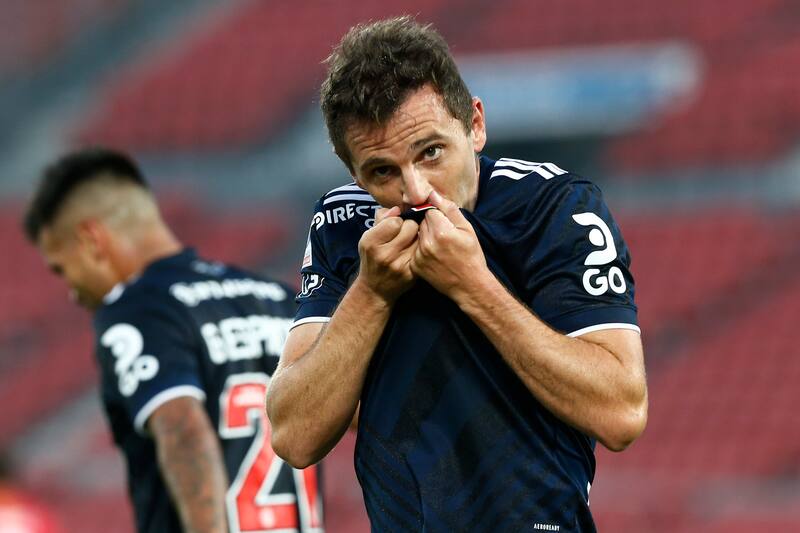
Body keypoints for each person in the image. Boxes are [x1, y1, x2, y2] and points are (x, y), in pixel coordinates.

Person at [266, 16, 647, 532]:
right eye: (383, 172)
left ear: (475, 125)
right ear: (353, 173)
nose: (416, 190)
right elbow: (293, 435)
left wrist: (474, 285)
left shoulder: (555, 208)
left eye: (431, 152)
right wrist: (372, 293)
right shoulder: (341, 226)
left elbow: (622, 413)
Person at [23, 148, 323, 533]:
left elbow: (182, 428)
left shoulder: (136, 311)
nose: (72, 291)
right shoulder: (276, 298)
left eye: (63, 269)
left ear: (92, 240)